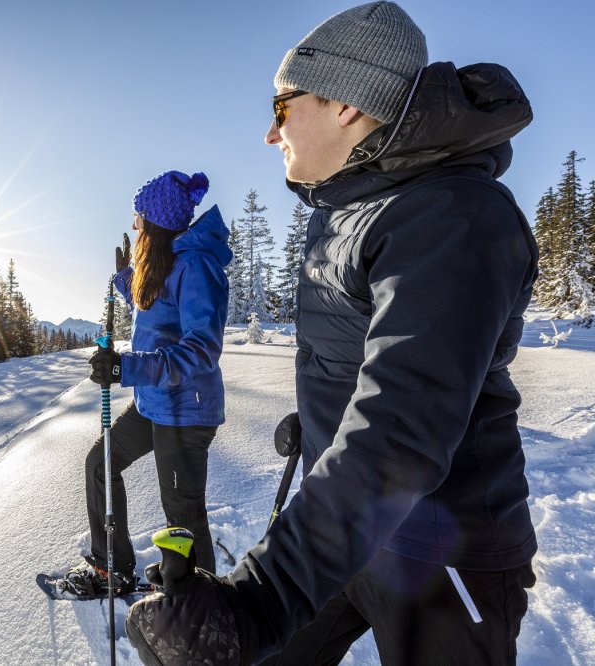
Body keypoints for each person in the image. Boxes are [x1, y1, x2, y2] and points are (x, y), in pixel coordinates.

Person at [125, 3, 539, 664]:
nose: (269, 133)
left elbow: (403, 424)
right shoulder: (353, 205)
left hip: (441, 550)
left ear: (347, 103)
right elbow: (370, 356)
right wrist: (320, 419)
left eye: (283, 107)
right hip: (348, 531)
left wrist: (262, 599)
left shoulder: (450, 216)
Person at [61, 170, 231, 598]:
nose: (134, 224)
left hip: (185, 409)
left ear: (154, 221)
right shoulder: (169, 260)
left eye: (138, 216)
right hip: (154, 403)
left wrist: (127, 368)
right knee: (100, 464)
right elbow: (157, 310)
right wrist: (125, 280)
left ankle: (202, 607)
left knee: (183, 514)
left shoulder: (196, 264)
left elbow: (200, 350)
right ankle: (111, 568)